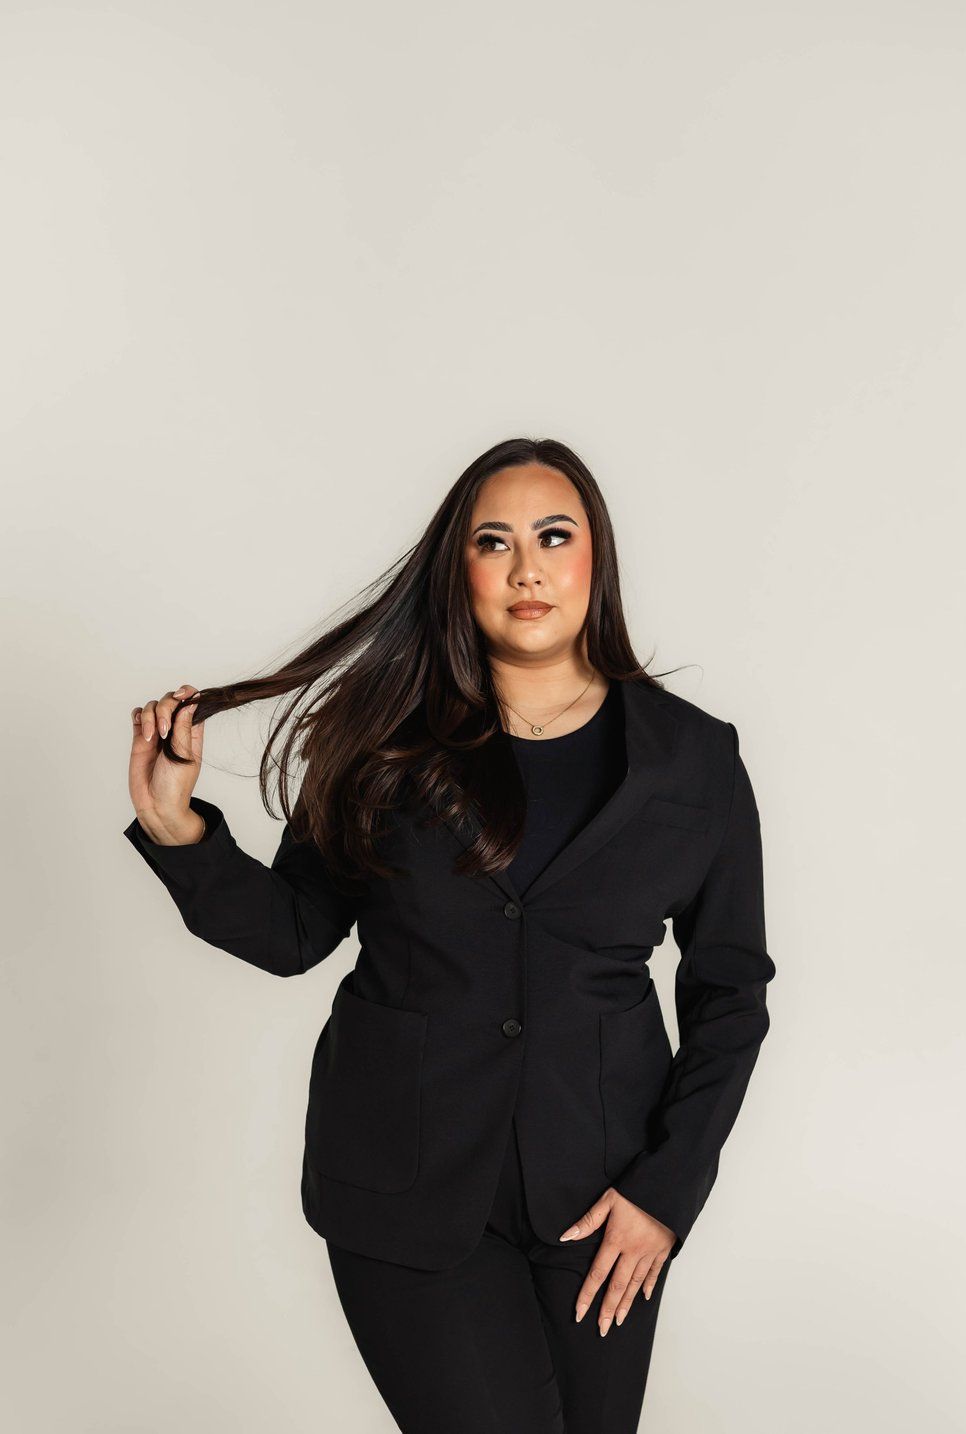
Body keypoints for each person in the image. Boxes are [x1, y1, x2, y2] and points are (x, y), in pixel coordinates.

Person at [123, 437, 775, 1433]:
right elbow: (297, 930)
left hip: (600, 1203)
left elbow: (728, 993)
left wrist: (664, 1191)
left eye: (553, 536)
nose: (526, 567)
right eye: (493, 541)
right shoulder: (381, 737)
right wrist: (179, 831)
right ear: (457, 568)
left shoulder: (692, 759)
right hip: (404, 1184)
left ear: (593, 557)